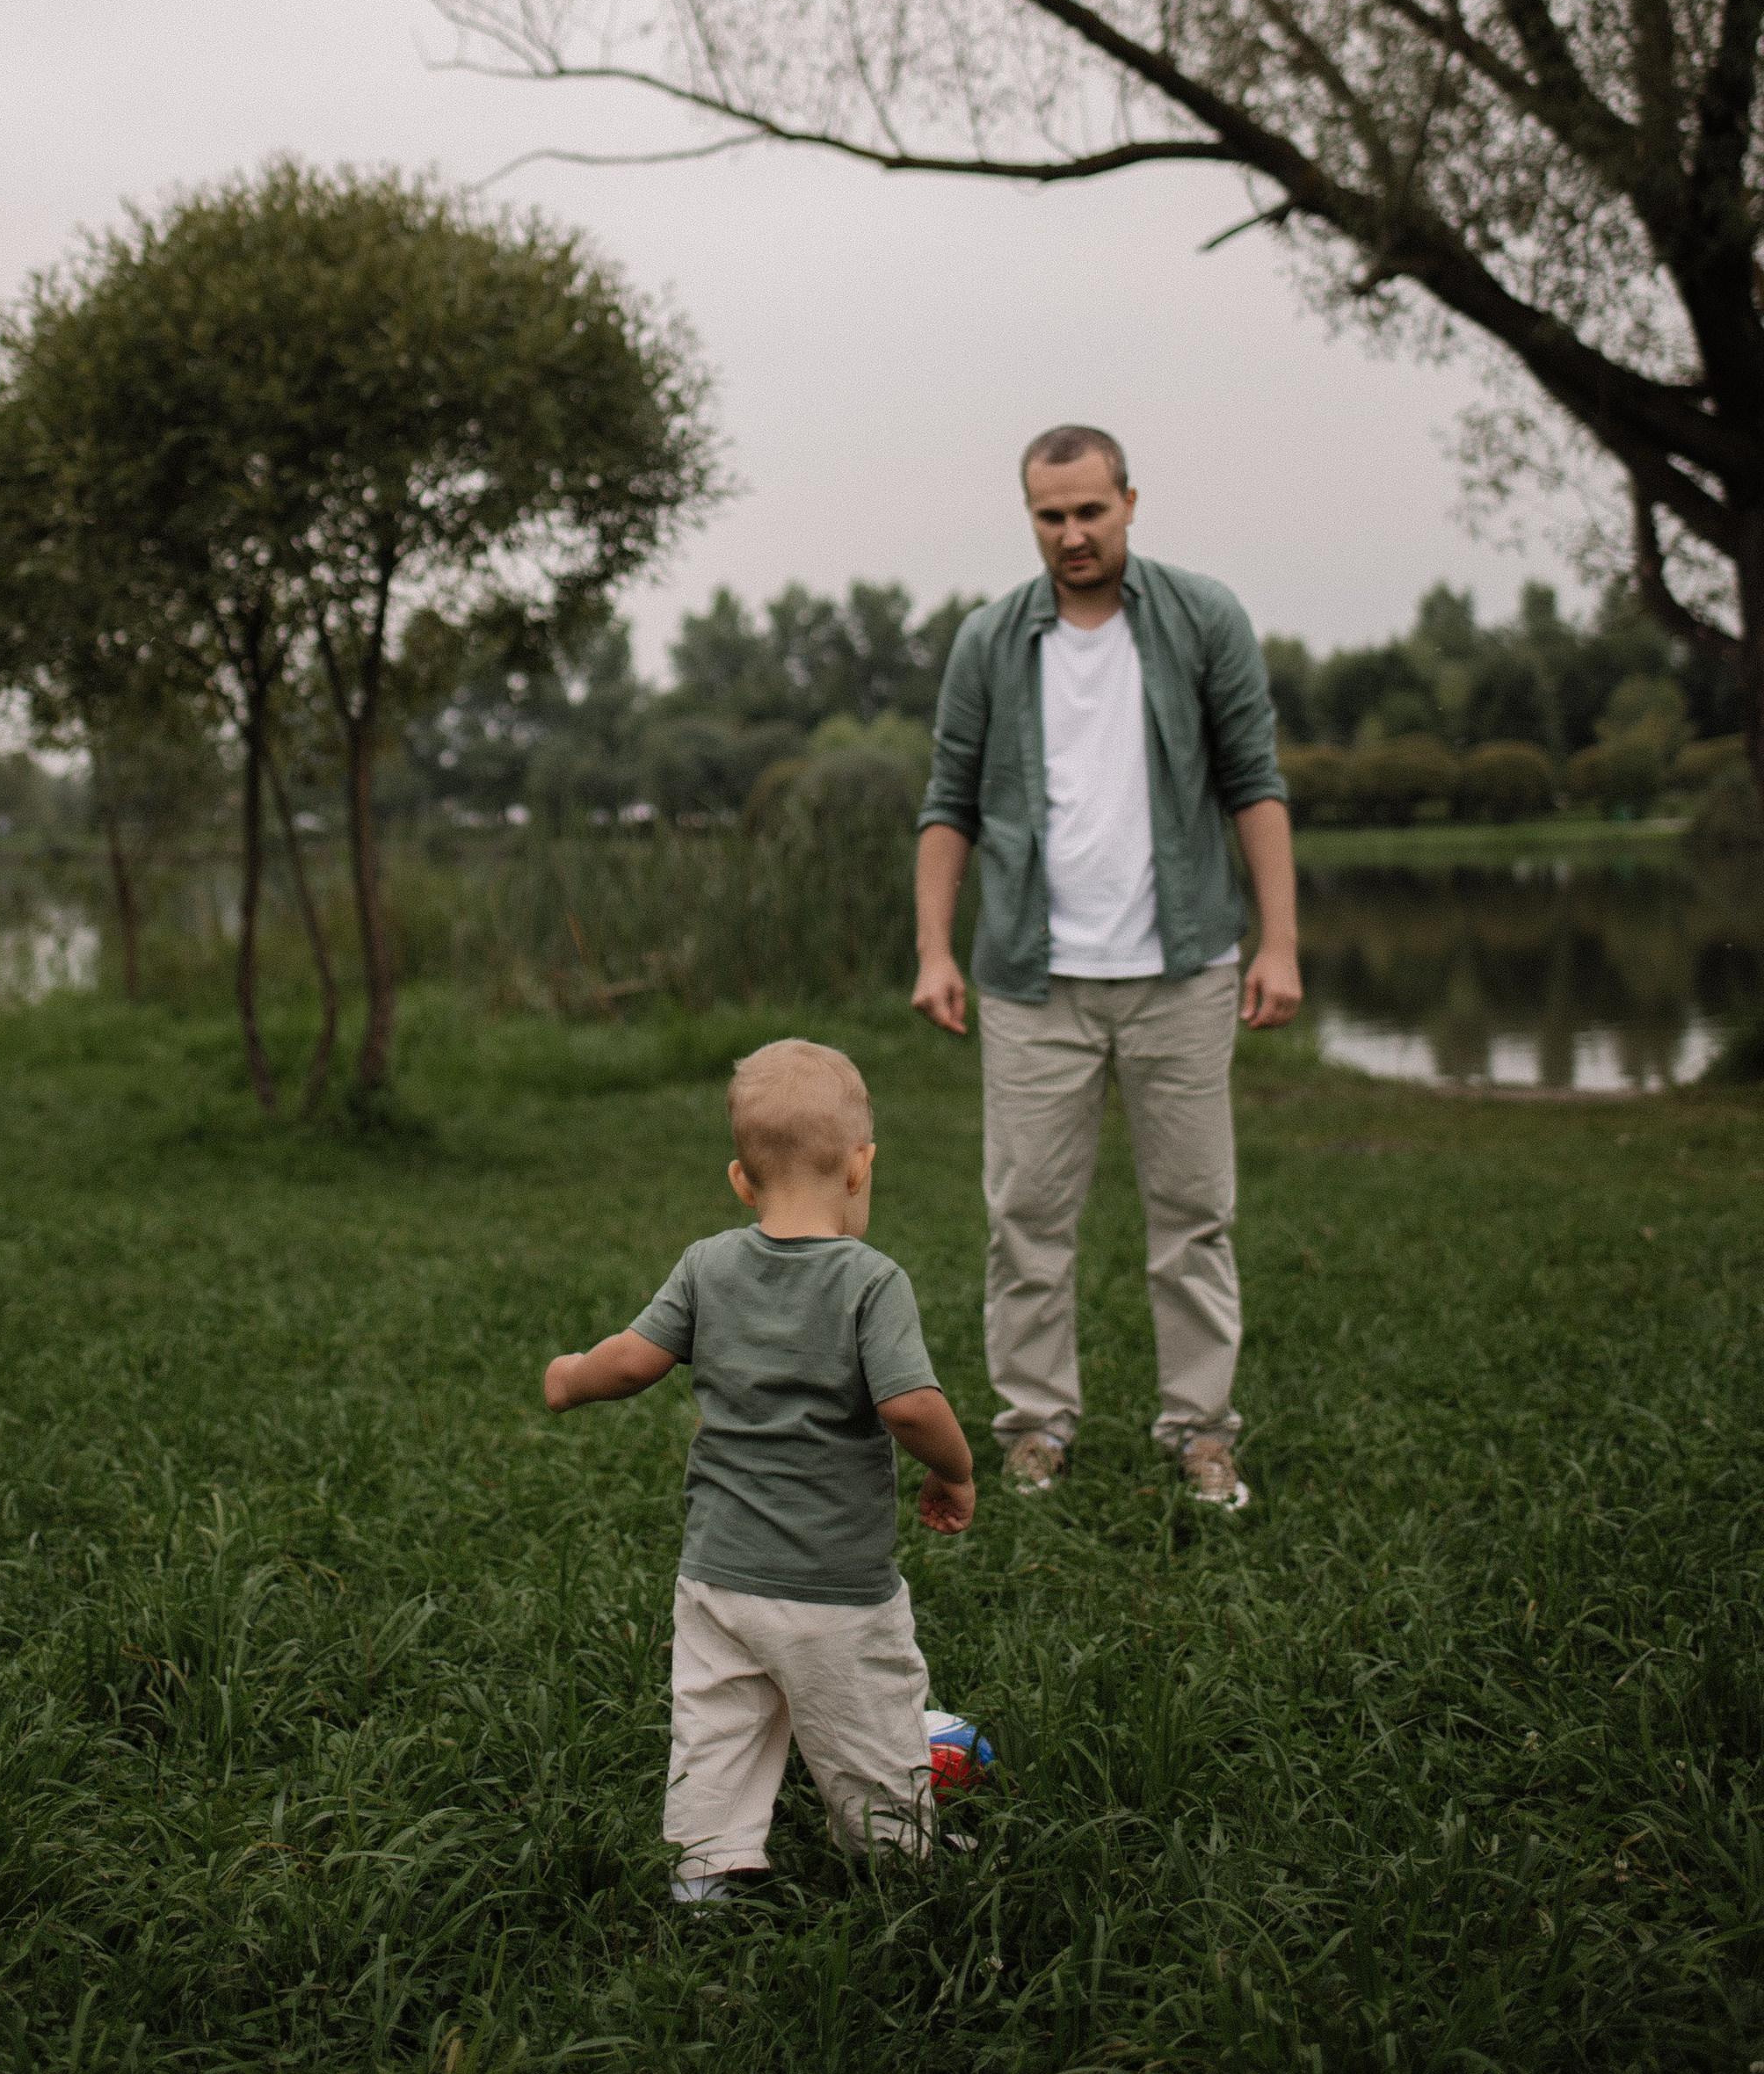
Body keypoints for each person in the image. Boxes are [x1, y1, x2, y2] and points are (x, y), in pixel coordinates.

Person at [912, 424, 1300, 1511]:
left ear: (1129, 499)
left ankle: (1201, 1433)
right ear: (1028, 514)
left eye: (1090, 510)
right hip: (1033, 977)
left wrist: (1278, 941)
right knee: (1025, 1218)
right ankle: (1033, 1430)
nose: (1072, 533)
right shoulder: (990, 641)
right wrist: (934, 950)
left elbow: (1253, 781)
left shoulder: (1202, 617)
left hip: (1182, 967)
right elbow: (947, 800)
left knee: (1193, 1213)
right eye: (1050, 514)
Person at [542, 1038, 976, 1905]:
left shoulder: (708, 1264)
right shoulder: (870, 1280)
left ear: (741, 1179)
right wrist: (956, 1471)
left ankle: (710, 1863)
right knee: (868, 1718)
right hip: (833, 1584)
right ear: (861, 1166)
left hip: (718, 1574)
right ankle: (894, 1851)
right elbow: (909, 1405)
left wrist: (569, 1375)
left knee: (718, 1722)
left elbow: (629, 1361)